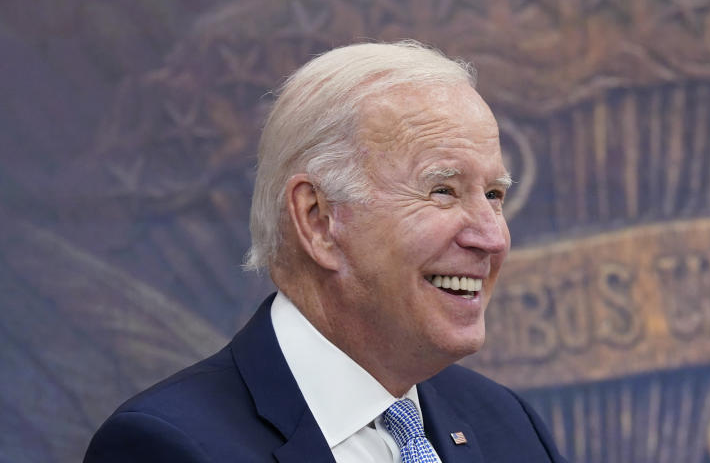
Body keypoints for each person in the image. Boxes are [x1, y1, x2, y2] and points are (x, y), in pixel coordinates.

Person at [83, 41, 567, 463]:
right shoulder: (168, 446)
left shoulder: (508, 426)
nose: (492, 237)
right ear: (318, 219)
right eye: (443, 190)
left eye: (494, 196)